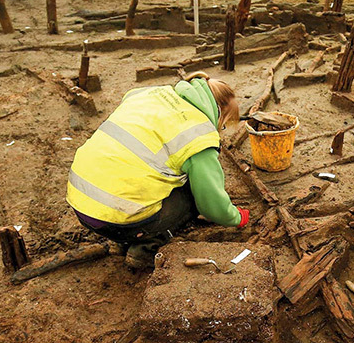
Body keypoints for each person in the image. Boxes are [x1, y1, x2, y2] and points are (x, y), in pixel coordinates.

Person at [66, 72, 249, 268]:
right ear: (218, 112)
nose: (219, 129)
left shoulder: (149, 93)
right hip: (115, 218)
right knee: (193, 194)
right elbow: (210, 202)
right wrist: (236, 217)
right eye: (223, 124)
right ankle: (146, 246)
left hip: (80, 200)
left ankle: (124, 237)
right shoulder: (199, 133)